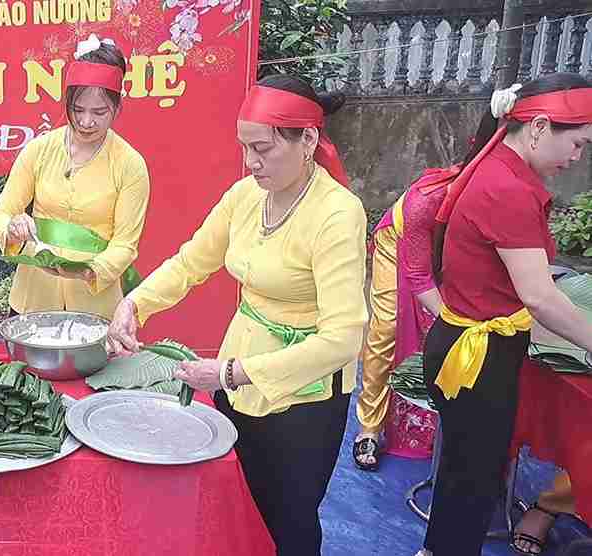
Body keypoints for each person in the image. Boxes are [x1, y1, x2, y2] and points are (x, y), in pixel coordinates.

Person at [106, 74, 366, 555]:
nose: (251, 162)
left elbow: (343, 339)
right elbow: (190, 262)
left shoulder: (337, 214)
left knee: (288, 519)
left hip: (302, 395)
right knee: (237, 504)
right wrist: (134, 302)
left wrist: (229, 372)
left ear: (308, 140)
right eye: (245, 148)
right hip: (238, 376)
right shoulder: (246, 197)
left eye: (263, 149)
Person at [417, 72, 592, 556]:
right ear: (537, 127)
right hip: (479, 356)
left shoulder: (494, 165)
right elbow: (538, 296)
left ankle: (437, 548)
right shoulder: (509, 189)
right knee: (474, 478)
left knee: (464, 469)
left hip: (467, 341)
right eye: (577, 143)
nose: (576, 157)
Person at [0, 34, 149, 319]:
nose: (87, 122)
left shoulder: (130, 164)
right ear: (67, 103)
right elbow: (1, 214)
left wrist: (92, 271)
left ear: (117, 107)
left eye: (100, 112)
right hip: (32, 301)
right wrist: (11, 229)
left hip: (95, 305)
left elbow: (126, 243)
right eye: (78, 110)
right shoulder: (39, 150)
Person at [353, 164, 455, 470]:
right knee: (388, 327)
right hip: (397, 245)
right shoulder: (427, 200)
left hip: (445, 254)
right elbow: (418, 275)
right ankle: (369, 426)